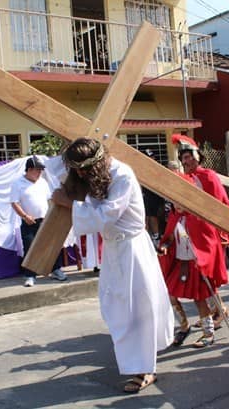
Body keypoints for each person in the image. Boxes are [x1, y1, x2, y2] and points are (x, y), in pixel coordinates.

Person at [51, 137, 173, 393]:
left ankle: (145, 369)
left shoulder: (123, 175)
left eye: (83, 170)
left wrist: (69, 203)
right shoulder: (96, 175)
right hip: (114, 251)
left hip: (133, 250)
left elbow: (106, 215)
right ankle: (135, 362)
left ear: (95, 163)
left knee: (138, 310)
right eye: (77, 171)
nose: (81, 175)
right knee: (116, 308)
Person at [173, 134, 229, 328]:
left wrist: (221, 233)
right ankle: (217, 311)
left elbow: (219, 206)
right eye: (183, 158)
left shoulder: (208, 176)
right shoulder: (186, 179)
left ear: (197, 156)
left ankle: (218, 311)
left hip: (210, 234)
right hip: (193, 234)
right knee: (201, 276)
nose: (186, 161)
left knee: (206, 275)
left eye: (189, 156)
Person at [10, 156, 66, 286]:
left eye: (41, 170)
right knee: (30, 247)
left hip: (46, 219)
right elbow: (14, 202)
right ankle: (30, 275)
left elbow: (49, 200)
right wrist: (24, 216)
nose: (40, 173)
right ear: (29, 170)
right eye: (37, 170)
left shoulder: (43, 182)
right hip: (29, 221)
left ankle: (56, 270)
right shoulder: (17, 183)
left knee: (52, 245)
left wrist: (53, 214)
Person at [141, 150, 164, 245]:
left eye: (152, 157)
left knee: (153, 217)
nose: (151, 159)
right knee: (145, 217)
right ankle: (145, 239)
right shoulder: (140, 169)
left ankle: (156, 237)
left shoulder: (157, 169)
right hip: (144, 195)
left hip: (155, 196)